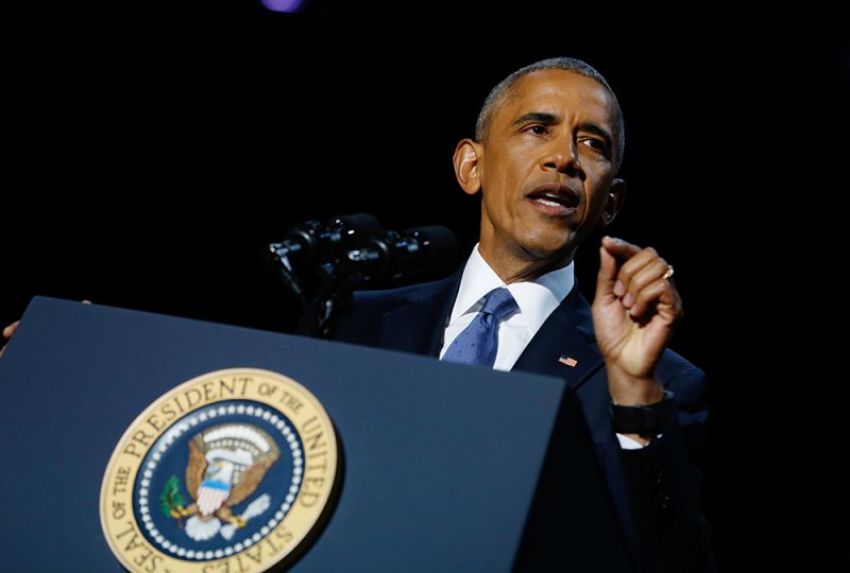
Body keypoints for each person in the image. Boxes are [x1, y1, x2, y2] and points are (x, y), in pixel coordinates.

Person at [328, 57, 714, 572]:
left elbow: (675, 563)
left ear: (611, 203)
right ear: (471, 167)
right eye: (537, 129)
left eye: (593, 144)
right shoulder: (354, 324)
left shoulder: (659, 382)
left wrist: (634, 396)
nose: (565, 159)